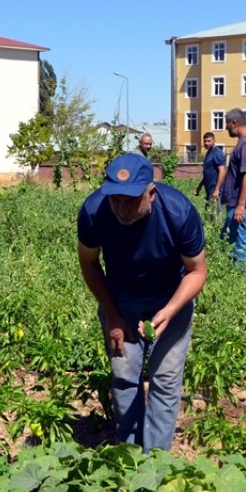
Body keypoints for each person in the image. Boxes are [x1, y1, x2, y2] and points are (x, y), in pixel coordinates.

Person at [77, 153, 207, 453]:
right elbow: (89, 263)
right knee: (123, 378)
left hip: (172, 299)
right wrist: (112, 316)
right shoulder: (95, 211)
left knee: (165, 380)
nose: (121, 209)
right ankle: (130, 456)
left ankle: (155, 464)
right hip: (120, 299)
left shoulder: (178, 212)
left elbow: (197, 271)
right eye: (115, 200)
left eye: (130, 201)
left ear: (151, 192)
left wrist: (171, 310)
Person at [219, 108, 246, 269]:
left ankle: (244, 277)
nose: (225, 128)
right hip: (238, 202)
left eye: (227, 124)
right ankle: (229, 271)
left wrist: (241, 206)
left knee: (238, 242)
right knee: (227, 238)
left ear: (234, 123)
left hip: (242, 203)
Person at [193, 132, 226, 220]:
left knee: (216, 219)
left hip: (216, 192)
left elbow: (222, 170)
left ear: (214, 141)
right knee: (208, 217)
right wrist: (199, 187)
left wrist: (217, 189)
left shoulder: (217, 152)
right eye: (205, 141)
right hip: (209, 191)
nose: (206, 143)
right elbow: (207, 173)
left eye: (209, 141)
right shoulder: (209, 153)